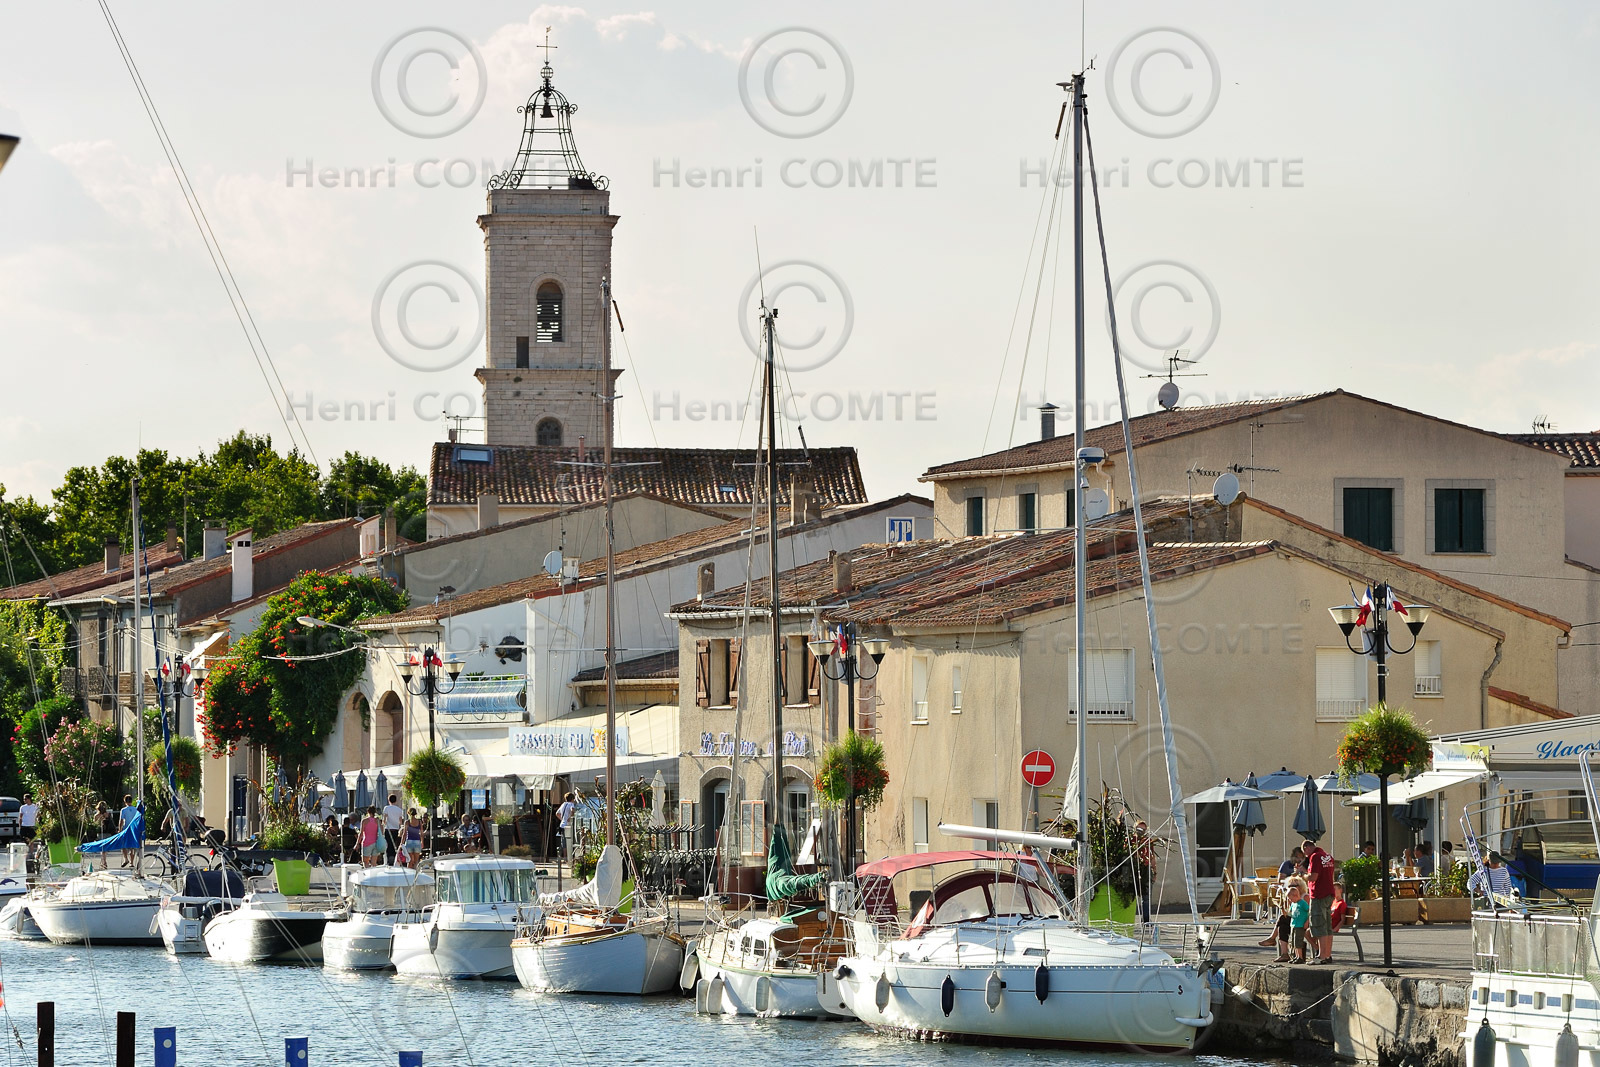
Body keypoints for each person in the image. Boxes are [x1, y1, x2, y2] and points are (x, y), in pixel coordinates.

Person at [1302, 836, 1337, 964]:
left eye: (1304, 851)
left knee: (1319, 925)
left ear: (1307, 847)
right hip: (1329, 893)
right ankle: (1327, 955)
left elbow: (1313, 877)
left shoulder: (1315, 857)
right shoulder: (1328, 856)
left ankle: (1321, 956)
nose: (1305, 855)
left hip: (1319, 894)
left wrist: (1303, 875)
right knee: (1327, 926)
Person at [1287, 882, 1311, 963]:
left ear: (1296, 896)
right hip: (1293, 924)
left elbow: (1309, 911)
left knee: (1298, 942)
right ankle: (1296, 956)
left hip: (1300, 924)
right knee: (1293, 942)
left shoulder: (1302, 903)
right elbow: (1289, 913)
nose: (1290, 901)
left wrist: (1307, 921)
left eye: (1291, 899)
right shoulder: (1293, 904)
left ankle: (1300, 957)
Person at [118, 794, 140, 869]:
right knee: (132, 847)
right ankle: (132, 862)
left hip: (126, 829)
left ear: (125, 801)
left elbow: (121, 820)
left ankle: (126, 858)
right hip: (133, 829)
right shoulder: (136, 809)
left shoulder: (123, 810)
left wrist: (120, 829)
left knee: (123, 845)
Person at [382, 794, 404, 864]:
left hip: (388, 829)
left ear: (389, 800)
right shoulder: (399, 810)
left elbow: (384, 820)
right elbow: (400, 821)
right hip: (396, 830)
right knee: (394, 845)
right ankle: (394, 860)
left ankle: (389, 860)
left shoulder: (386, 808)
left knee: (388, 846)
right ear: (396, 801)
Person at [555, 792, 576, 859]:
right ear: (572, 799)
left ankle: (565, 857)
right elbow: (572, 810)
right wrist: (570, 817)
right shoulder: (571, 804)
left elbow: (557, 813)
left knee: (563, 841)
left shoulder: (563, 804)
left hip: (562, 825)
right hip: (568, 825)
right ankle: (570, 857)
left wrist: (563, 819)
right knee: (570, 840)